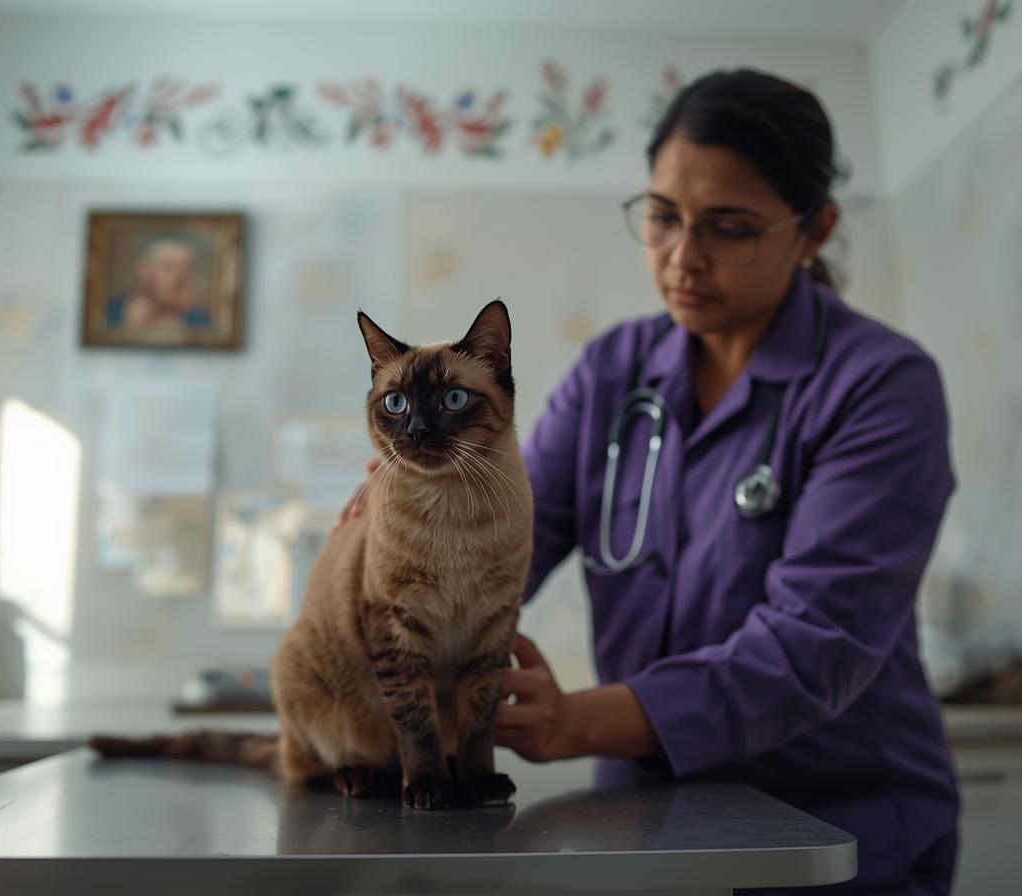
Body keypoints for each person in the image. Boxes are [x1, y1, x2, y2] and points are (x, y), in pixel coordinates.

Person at [338, 69, 958, 895]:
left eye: (729, 227)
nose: (682, 257)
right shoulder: (612, 373)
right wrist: (399, 525)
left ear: (815, 232)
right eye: (663, 217)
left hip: (835, 825)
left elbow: (816, 646)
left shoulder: (882, 385)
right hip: (644, 819)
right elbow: (520, 519)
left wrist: (574, 720)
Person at [106, 235, 212, 329]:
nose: (180, 277)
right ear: (142, 270)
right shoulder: (108, 314)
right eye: (169, 267)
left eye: (187, 268)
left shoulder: (202, 322)